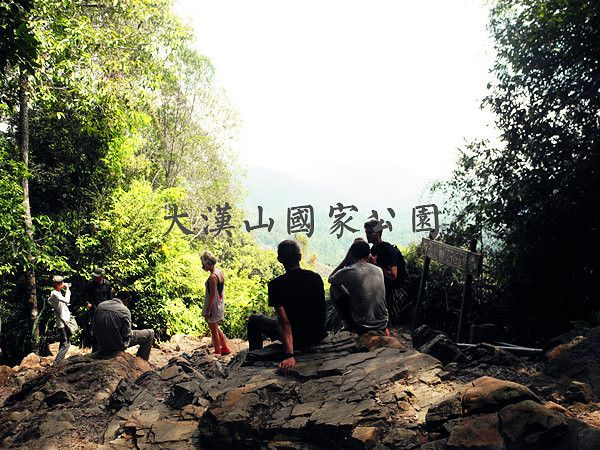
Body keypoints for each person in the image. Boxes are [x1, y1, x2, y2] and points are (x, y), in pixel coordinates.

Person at [247, 240, 326, 375]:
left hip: (297, 339)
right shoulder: (316, 278)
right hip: (317, 335)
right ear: (299, 257)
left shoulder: (276, 285)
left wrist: (289, 355)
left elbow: (284, 322)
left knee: (254, 320)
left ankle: (253, 358)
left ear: (279, 260)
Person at [328, 239, 388, 334]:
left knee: (334, 287)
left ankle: (347, 324)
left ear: (351, 254)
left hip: (362, 325)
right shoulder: (379, 270)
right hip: (383, 322)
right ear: (369, 253)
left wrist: (345, 261)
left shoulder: (348, 271)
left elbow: (330, 279)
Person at [364, 219, 408, 321]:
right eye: (366, 233)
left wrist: (375, 265)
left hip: (392, 288)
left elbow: (393, 276)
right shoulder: (373, 249)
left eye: (369, 233)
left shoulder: (389, 250)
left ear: (377, 233)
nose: (367, 235)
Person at [93, 297, 154, 361]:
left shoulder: (100, 306)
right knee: (150, 333)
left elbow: (94, 326)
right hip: (117, 346)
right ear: (126, 300)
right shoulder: (124, 310)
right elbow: (127, 334)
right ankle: (142, 362)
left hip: (102, 344)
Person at [201, 251, 231, 356]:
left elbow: (212, 295)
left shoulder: (212, 277)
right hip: (219, 304)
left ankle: (218, 352)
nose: (202, 267)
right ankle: (225, 348)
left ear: (208, 264)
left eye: (203, 265)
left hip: (213, 306)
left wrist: (208, 311)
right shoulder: (219, 272)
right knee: (216, 328)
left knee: (213, 331)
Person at [81, 268, 112, 350]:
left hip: (105, 310)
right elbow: (83, 295)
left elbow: (110, 297)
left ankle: (105, 348)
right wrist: (87, 303)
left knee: (106, 329)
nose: (96, 278)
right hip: (94, 310)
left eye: (97, 276)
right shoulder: (91, 284)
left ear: (102, 276)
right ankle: (95, 349)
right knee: (95, 329)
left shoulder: (107, 284)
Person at [48, 275, 76, 364]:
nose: (63, 284)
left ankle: (59, 361)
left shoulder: (58, 293)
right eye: (61, 283)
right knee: (66, 343)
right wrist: (67, 289)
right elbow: (67, 300)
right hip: (62, 322)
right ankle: (57, 362)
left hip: (64, 321)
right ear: (57, 284)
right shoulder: (54, 293)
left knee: (64, 341)